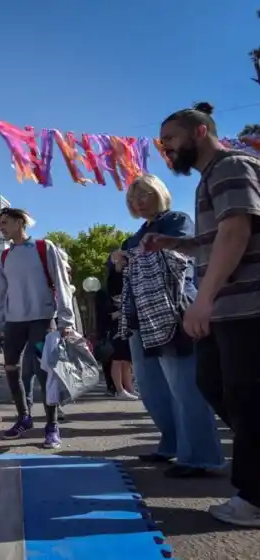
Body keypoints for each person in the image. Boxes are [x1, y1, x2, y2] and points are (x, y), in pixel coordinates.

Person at [147, 102, 260, 525]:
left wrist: (204, 298)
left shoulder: (231, 166)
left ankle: (254, 499)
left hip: (248, 306)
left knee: (246, 399)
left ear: (199, 132)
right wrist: (175, 244)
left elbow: (236, 231)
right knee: (214, 384)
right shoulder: (209, 179)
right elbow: (213, 240)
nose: (167, 149)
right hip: (230, 309)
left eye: (171, 139)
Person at [113, 171, 224, 480]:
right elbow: (126, 266)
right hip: (139, 315)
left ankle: (200, 456)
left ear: (160, 194)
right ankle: (172, 443)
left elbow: (179, 256)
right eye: (132, 198)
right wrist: (117, 257)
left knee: (184, 386)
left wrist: (126, 256)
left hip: (171, 311)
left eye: (144, 194)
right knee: (152, 388)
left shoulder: (176, 221)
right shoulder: (135, 234)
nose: (138, 201)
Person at [0, 207, 75, 449]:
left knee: (45, 372)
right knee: (10, 368)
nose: (1, 227)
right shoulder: (5, 256)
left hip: (42, 319)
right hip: (14, 323)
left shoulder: (43, 247)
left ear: (20, 223)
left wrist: (66, 319)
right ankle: (24, 417)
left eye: (5, 222)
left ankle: (52, 426)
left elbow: (62, 282)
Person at [96, 263, 135, 399]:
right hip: (113, 331)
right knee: (117, 360)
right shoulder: (104, 295)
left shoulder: (125, 290)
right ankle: (119, 389)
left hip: (125, 328)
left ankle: (129, 387)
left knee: (126, 360)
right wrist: (123, 311)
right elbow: (105, 316)